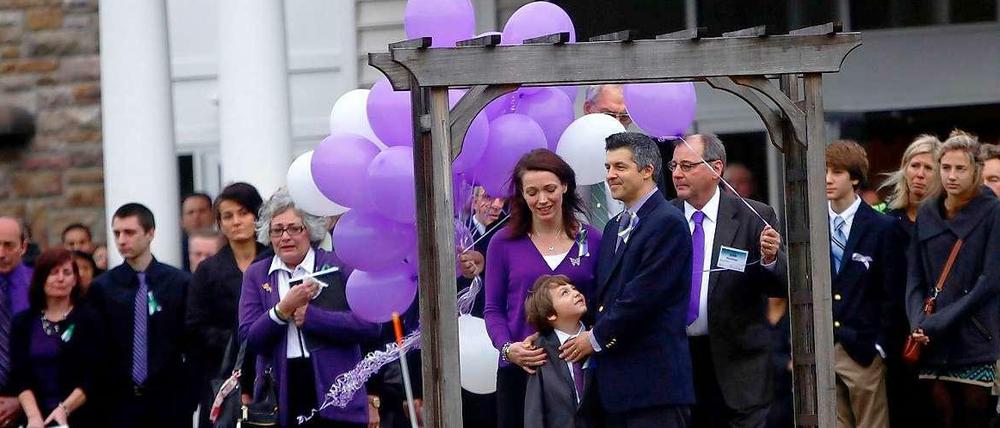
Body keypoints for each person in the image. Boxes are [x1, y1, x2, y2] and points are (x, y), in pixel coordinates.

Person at [560, 132, 694, 427]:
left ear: (647, 170)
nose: (610, 175)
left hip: (654, 388)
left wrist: (594, 339)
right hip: (614, 388)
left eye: (620, 167)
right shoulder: (612, 228)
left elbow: (643, 297)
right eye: (608, 167)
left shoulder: (667, 222)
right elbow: (604, 296)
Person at [670, 133, 787, 428]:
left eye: (687, 165)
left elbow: (782, 285)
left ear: (716, 168)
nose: (677, 174)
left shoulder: (753, 216)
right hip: (678, 363)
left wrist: (770, 258)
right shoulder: (663, 218)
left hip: (739, 365)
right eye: (673, 166)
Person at [238, 189, 381, 427]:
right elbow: (250, 339)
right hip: (282, 391)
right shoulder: (257, 274)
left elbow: (370, 325)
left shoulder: (339, 265)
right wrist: (281, 311)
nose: (285, 237)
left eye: (294, 228)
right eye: (277, 230)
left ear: (310, 230)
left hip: (337, 391)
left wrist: (313, 317)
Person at [484, 149, 603, 428]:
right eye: (532, 192)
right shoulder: (502, 243)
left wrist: (592, 340)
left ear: (565, 186)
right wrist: (508, 349)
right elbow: (493, 309)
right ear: (522, 195)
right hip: (522, 372)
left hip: (581, 370)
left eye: (550, 189)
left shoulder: (593, 240)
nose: (542, 200)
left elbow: (603, 303)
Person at [907, 130, 1000, 428]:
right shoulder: (927, 212)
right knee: (939, 418)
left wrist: (934, 322)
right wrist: (917, 322)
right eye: (946, 167)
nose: (952, 176)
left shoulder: (992, 211)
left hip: (974, 338)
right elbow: (914, 277)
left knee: (974, 418)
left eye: (960, 168)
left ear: (976, 170)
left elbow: (990, 281)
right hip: (932, 342)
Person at [88, 203, 192, 428]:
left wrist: (188, 396)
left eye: (130, 232)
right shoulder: (102, 288)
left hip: (169, 401)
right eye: (117, 233)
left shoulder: (179, 283)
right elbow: (96, 348)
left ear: (150, 233)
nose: (121, 240)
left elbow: (190, 341)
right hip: (117, 403)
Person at [826, 140, 902, 428]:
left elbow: (892, 293)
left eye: (837, 172)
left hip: (863, 348)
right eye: (824, 171)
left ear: (855, 178)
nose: (828, 179)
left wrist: (880, 345)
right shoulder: (809, 225)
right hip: (822, 346)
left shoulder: (882, 227)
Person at [186, 182, 266, 428]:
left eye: (243, 213)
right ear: (219, 223)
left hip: (271, 372)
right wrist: (237, 340)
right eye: (228, 216)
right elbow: (195, 327)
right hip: (223, 376)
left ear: (257, 216)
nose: (236, 222)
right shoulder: (208, 271)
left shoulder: (273, 261)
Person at [877, 134, 940, 427]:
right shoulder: (886, 219)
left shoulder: (949, 221)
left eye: (929, 168)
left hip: (936, 334)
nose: (920, 174)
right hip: (894, 339)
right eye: (914, 165)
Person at [7, 248, 102, 427]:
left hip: (79, 415)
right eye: (53, 273)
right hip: (34, 417)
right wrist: (33, 416)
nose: (60, 278)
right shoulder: (23, 322)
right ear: (41, 278)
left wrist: (64, 409)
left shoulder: (89, 319)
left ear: (75, 279)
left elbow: (94, 375)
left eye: (67, 273)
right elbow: (20, 375)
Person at [523, 275, 600, 428]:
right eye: (565, 293)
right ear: (550, 314)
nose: (576, 293)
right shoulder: (539, 351)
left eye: (574, 288)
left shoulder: (598, 338)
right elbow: (535, 409)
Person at [580, 85, 628, 230]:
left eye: (624, 117)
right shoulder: (564, 155)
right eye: (609, 115)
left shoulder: (642, 161)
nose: (617, 124)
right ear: (588, 109)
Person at [0, 217, 32, 428]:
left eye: (8, 245)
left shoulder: (41, 287)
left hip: (34, 406)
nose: (1, 253)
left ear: (23, 247)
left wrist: (22, 401)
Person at [181, 192, 215, 272]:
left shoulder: (225, 246)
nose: (196, 217)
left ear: (213, 215)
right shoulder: (176, 252)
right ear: (181, 221)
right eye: (191, 212)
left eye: (202, 211)